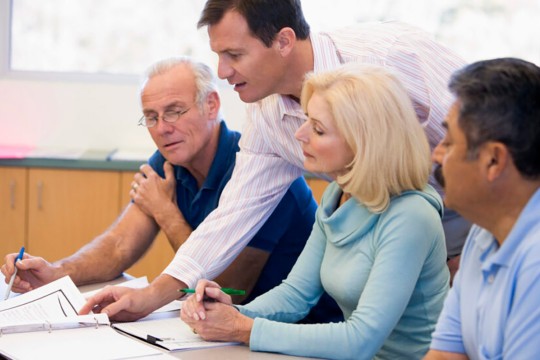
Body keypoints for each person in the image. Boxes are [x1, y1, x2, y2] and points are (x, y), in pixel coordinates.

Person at [80, 0, 466, 320]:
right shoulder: (269, 118)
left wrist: (481, 237)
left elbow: (492, 137)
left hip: (476, 209)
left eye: (234, 55)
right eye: (218, 55)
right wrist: (153, 296)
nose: (222, 72)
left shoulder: (394, 54)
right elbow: (235, 214)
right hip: (395, 228)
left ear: (283, 41)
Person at [1, 57, 341, 323]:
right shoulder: (170, 159)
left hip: (297, 331)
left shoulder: (262, 170)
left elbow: (228, 289)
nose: (163, 129)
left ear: (211, 105)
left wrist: (167, 214)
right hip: (228, 330)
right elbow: (120, 244)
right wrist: (58, 272)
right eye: (151, 117)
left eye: (175, 112)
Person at [181, 64, 449, 359]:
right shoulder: (338, 195)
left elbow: (360, 339)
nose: (300, 134)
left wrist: (242, 328)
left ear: (365, 143)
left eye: (318, 129)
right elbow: (296, 294)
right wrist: (229, 312)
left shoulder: (411, 216)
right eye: (307, 120)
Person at [424, 58, 540, 359]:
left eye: (448, 143)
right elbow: (446, 353)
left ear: (493, 160)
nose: (436, 154)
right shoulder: (481, 233)